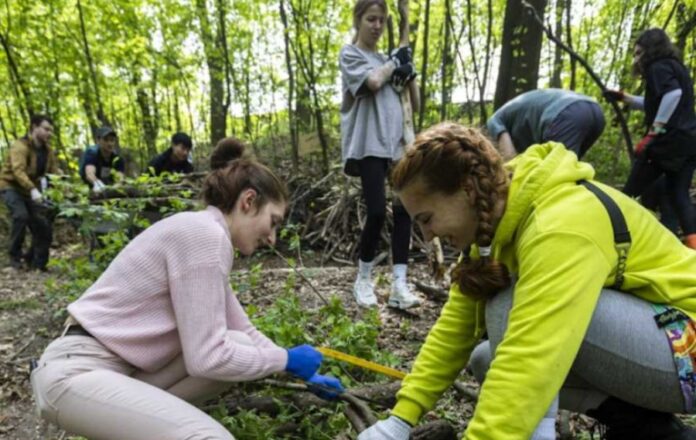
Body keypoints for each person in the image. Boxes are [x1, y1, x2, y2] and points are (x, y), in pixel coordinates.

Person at [358, 122, 696, 440]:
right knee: (485, 358)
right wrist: (400, 421)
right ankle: (652, 431)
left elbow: (530, 357)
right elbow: (452, 331)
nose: (426, 234)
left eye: (427, 219)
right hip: (660, 345)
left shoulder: (560, 224)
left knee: (508, 306)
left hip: (688, 345)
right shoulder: (492, 228)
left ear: (466, 189)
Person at [30, 145, 343, 439]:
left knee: (239, 341)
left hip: (114, 373)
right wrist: (284, 360)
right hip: (75, 374)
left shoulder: (205, 235)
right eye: (272, 222)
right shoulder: (204, 234)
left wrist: (300, 372)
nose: (273, 238)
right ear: (248, 201)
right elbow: (207, 359)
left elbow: (242, 328)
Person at [340, 0, 421, 309]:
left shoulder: (389, 59)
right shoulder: (351, 55)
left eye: (381, 21)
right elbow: (372, 82)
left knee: (405, 211)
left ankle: (399, 283)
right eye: (371, 19)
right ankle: (363, 279)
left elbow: (414, 104)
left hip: (397, 145)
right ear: (359, 20)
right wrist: (393, 64)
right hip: (369, 145)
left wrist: (409, 73)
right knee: (376, 210)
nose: (376, 25)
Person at [605, 28, 696, 250]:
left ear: (650, 50)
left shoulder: (658, 66)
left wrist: (653, 133)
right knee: (679, 195)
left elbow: (672, 95)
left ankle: (609, 237)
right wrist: (624, 98)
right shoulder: (676, 67)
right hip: (689, 141)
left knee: (629, 192)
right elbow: (657, 100)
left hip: (667, 143)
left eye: (639, 53)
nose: (636, 59)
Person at [0, 114, 60, 271]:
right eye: (46, 129)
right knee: (21, 216)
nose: (49, 133)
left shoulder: (48, 151)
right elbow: (17, 171)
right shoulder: (20, 146)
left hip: (32, 191)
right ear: (34, 127)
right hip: (11, 186)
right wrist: (33, 189)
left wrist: (60, 188)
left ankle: (36, 262)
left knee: (43, 223)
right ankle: (14, 258)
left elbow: (54, 174)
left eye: (51, 130)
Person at [487, 88, 606, 161]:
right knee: (570, 169)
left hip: (566, 113)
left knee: (554, 175)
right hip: (595, 110)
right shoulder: (513, 116)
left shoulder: (494, 121)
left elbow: (510, 160)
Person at [79, 126, 125, 193]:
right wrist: (97, 183)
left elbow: (120, 178)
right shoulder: (92, 153)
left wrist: (114, 188)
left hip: (109, 185)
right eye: (106, 140)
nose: (109, 143)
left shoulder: (117, 159)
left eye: (112, 140)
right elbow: (89, 174)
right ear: (98, 141)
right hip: (91, 186)